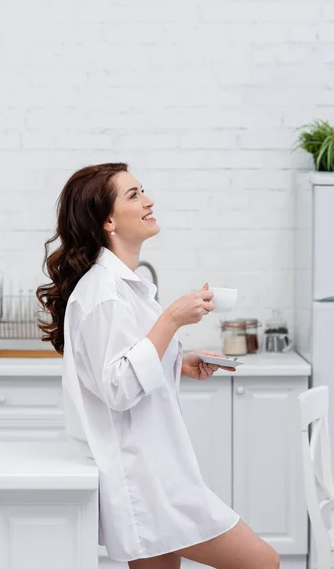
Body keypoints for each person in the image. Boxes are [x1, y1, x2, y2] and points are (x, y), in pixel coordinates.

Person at [36, 162, 280, 569]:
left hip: (154, 475)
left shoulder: (121, 287)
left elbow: (123, 364)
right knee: (264, 562)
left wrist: (176, 361)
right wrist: (171, 318)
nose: (149, 201)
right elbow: (116, 387)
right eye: (134, 195)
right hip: (146, 481)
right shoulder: (104, 294)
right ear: (108, 220)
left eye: (143, 191)